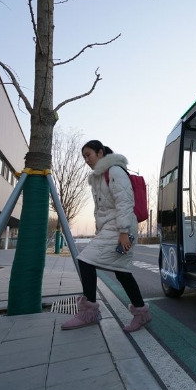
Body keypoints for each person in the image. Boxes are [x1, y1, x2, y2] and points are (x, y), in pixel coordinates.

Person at [61, 140, 151, 332]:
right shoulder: (99, 177)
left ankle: (89, 313)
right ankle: (141, 314)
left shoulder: (115, 171)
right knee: (122, 272)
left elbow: (125, 201)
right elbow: (100, 210)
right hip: (110, 229)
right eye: (84, 157)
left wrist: (124, 232)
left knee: (85, 260)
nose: (86, 160)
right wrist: (99, 230)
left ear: (100, 153)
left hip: (122, 229)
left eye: (89, 155)